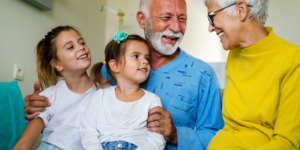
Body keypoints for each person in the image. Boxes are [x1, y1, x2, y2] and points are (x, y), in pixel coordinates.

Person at [24, 0, 224, 149]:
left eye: (182, 19)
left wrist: (175, 135)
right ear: (141, 19)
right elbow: (76, 106)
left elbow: (217, 137)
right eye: (166, 18)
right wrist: (42, 106)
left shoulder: (203, 75)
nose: (175, 27)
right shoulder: (107, 72)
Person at [204, 0, 300, 149]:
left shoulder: (293, 60)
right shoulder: (234, 54)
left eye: (211, 16)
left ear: (241, 10)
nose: (210, 27)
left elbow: (286, 144)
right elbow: (239, 106)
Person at [12, 26, 95, 150]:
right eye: (70, 47)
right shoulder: (48, 98)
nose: (81, 47)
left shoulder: (105, 92)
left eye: (82, 42)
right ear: (57, 64)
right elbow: (22, 146)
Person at [80, 32, 166, 150]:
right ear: (115, 65)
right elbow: (87, 129)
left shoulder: (152, 100)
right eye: (136, 56)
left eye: (147, 58)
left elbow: (157, 140)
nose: (145, 61)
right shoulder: (100, 96)